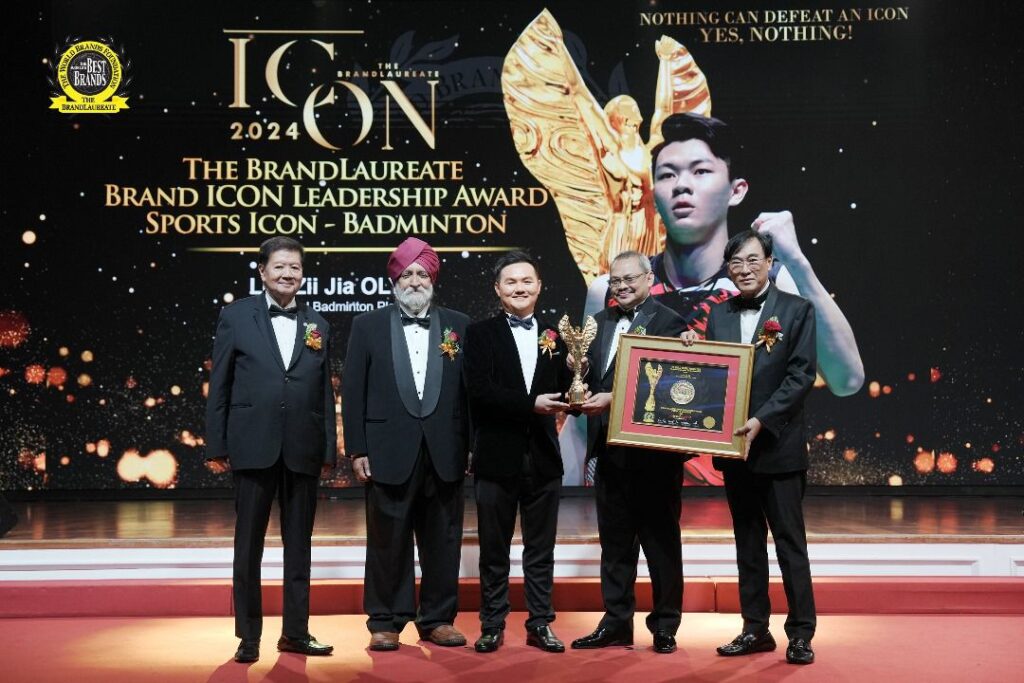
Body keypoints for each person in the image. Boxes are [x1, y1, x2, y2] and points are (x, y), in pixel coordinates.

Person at [578, 112, 863, 486]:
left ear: (736, 190)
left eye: (700, 171)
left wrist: (796, 260)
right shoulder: (610, 290)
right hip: (640, 482)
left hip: (740, 478)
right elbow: (585, 413)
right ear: (653, 192)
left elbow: (847, 379)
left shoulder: (776, 282)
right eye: (667, 175)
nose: (682, 185)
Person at [682, 228, 818, 665]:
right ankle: (755, 628)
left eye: (752, 260)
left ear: (770, 263)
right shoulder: (719, 314)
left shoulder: (797, 310)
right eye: (736, 262)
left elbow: (800, 375)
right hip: (734, 449)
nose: (744, 269)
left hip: (778, 446)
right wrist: (692, 351)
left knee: (790, 544)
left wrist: (762, 420)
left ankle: (801, 634)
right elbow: (714, 375)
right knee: (747, 543)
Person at [206, 236, 337, 663]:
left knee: (300, 547)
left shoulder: (318, 323)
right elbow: (220, 383)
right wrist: (217, 442)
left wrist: (328, 450)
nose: (287, 274)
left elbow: (322, 393)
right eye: (279, 266)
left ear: (303, 274)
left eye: (295, 268)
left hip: (303, 448)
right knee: (248, 546)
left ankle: (295, 632)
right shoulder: (236, 316)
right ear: (262, 271)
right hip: (252, 444)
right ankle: (248, 636)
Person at [341, 237, 470, 652]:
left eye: (422, 273)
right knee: (387, 539)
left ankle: (437, 619)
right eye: (407, 274)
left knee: (443, 539)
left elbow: (468, 394)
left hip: (445, 450)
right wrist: (357, 449)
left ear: (433, 278)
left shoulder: (459, 325)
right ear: (395, 279)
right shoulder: (367, 325)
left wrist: (470, 445)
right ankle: (385, 620)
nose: (415, 280)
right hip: (386, 449)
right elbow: (353, 390)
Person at [571, 250, 687, 654]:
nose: (621, 287)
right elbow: (588, 378)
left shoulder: (671, 323)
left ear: (649, 278)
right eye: (615, 280)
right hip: (609, 452)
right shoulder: (597, 323)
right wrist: (576, 380)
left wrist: (613, 399)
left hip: (654, 456)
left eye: (629, 279)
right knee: (615, 544)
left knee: (661, 544)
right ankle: (617, 621)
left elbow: (671, 388)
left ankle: (665, 624)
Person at [463, 251, 572, 654]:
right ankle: (492, 624)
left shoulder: (556, 335)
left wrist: (576, 372)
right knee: (494, 550)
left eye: (527, 281)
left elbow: (569, 389)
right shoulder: (480, 334)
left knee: (541, 550)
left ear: (539, 286)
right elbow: (479, 391)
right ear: (497, 289)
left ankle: (540, 623)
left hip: (543, 458)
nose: (520, 288)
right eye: (511, 282)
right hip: (496, 458)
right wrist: (530, 405)